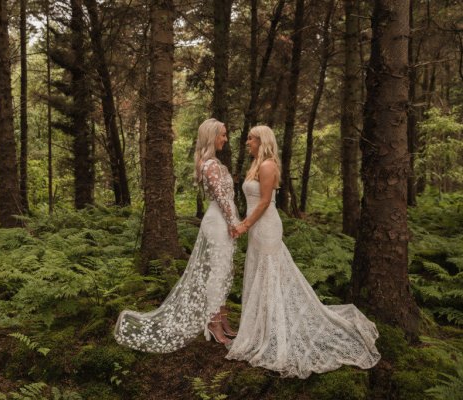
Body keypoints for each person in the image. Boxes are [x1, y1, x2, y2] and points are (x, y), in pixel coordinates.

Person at [226, 125, 380, 378]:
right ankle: (262, 325)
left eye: (251, 138)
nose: (247, 142)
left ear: (261, 140)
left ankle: (274, 329)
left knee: (269, 271)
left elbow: (264, 202)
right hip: (255, 226)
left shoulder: (267, 166)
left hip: (265, 226)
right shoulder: (256, 165)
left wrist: (244, 225)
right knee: (259, 271)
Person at [114, 118, 239, 352]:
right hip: (218, 222)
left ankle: (222, 319)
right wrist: (233, 222)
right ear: (212, 137)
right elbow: (222, 198)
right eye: (222, 134)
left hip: (224, 221)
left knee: (224, 271)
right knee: (217, 273)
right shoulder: (210, 165)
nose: (225, 138)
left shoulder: (214, 162)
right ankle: (214, 324)